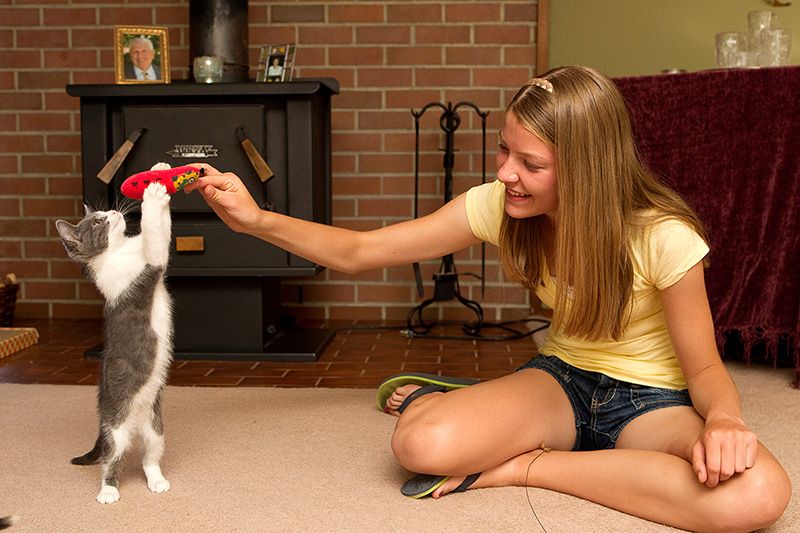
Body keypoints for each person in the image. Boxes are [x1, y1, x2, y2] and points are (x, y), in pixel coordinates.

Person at [185, 66, 791, 531]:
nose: (505, 173)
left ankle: (520, 463)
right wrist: (256, 220)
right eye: (505, 150)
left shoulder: (663, 235)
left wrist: (726, 421)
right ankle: (472, 412)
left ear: (587, 169)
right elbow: (360, 252)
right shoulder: (500, 206)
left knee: (756, 493)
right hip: (564, 379)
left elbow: (706, 366)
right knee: (420, 445)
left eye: (531, 163)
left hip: (653, 403)